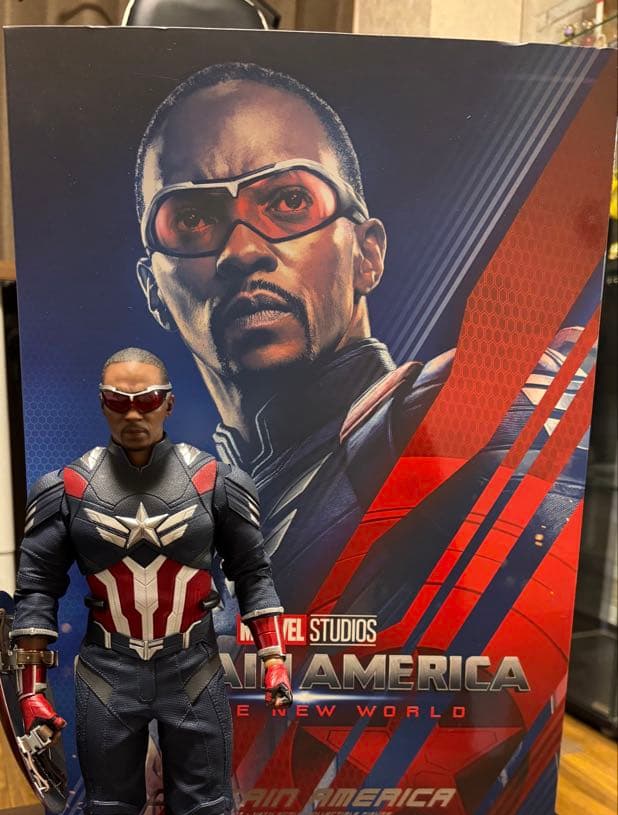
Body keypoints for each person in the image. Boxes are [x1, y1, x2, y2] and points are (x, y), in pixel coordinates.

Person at [11, 347, 292, 815]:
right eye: (119, 400)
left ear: (167, 400)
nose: (133, 414)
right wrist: (31, 689)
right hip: (109, 672)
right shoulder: (67, 487)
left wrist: (274, 654)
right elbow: (36, 591)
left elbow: (254, 573)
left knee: (204, 812)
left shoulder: (215, 481)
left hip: (193, 666)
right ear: (102, 401)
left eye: (145, 400)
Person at [134, 63, 454, 614]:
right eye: (190, 218)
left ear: (367, 255)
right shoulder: (191, 510)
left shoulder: (448, 418)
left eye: (288, 201)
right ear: (154, 291)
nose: (242, 251)